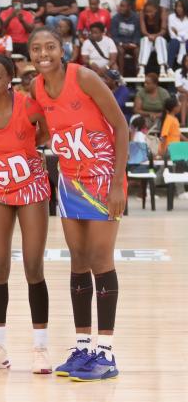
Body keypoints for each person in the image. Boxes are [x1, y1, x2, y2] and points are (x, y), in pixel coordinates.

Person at [30, 26, 128, 382]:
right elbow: (42, 129)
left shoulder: (83, 76)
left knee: (101, 260)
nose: (44, 53)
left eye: (50, 46)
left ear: (62, 49)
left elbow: (120, 125)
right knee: (78, 261)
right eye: (37, 48)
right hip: (70, 180)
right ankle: (83, 347)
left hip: (103, 179)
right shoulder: (37, 87)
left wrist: (118, 183)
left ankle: (106, 353)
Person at [0, 54, 52, 374]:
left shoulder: (28, 105)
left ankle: (41, 347)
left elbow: (45, 131)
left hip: (30, 184)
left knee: (33, 266)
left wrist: (30, 150)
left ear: (9, 78)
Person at [138, 2, 169, 78]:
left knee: (159, 40)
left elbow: (163, 30)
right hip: (148, 40)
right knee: (145, 40)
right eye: (147, 12)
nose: (148, 14)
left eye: (151, 12)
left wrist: (155, 36)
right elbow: (143, 30)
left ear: (156, 10)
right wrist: (149, 35)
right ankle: (141, 68)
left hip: (160, 39)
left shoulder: (162, 12)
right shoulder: (142, 13)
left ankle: (162, 68)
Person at [110, 0, 140, 75]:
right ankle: (121, 75)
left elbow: (137, 34)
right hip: (120, 44)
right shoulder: (115, 18)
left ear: (129, 7)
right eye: (120, 6)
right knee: (120, 50)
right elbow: (114, 35)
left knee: (137, 50)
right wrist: (121, 44)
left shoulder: (136, 18)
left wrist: (134, 43)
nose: (121, 8)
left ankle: (138, 74)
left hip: (132, 44)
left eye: (123, 6)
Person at [168, 0, 188, 70]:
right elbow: (172, 34)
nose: (178, 8)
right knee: (174, 42)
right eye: (177, 6)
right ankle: (169, 68)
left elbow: (177, 33)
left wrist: (178, 33)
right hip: (176, 42)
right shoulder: (171, 17)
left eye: (181, 7)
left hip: (186, 42)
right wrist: (183, 36)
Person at [175, 54, 188, 124]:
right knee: (184, 96)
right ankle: (183, 124)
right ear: (183, 62)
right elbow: (179, 87)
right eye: (186, 61)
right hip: (181, 96)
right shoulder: (178, 72)